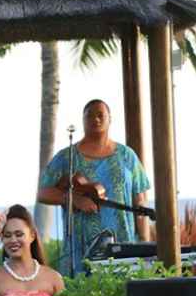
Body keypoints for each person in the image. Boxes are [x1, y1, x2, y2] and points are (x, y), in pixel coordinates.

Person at [37, 100, 150, 276]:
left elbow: (140, 199)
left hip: (123, 246)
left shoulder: (127, 156)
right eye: (90, 115)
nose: (95, 119)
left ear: (110, 119)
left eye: (100, 115)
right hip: (79, 250)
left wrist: (144, 243)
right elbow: (42, 193)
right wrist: (73, 199)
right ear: (82, 120)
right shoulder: (66, 157)